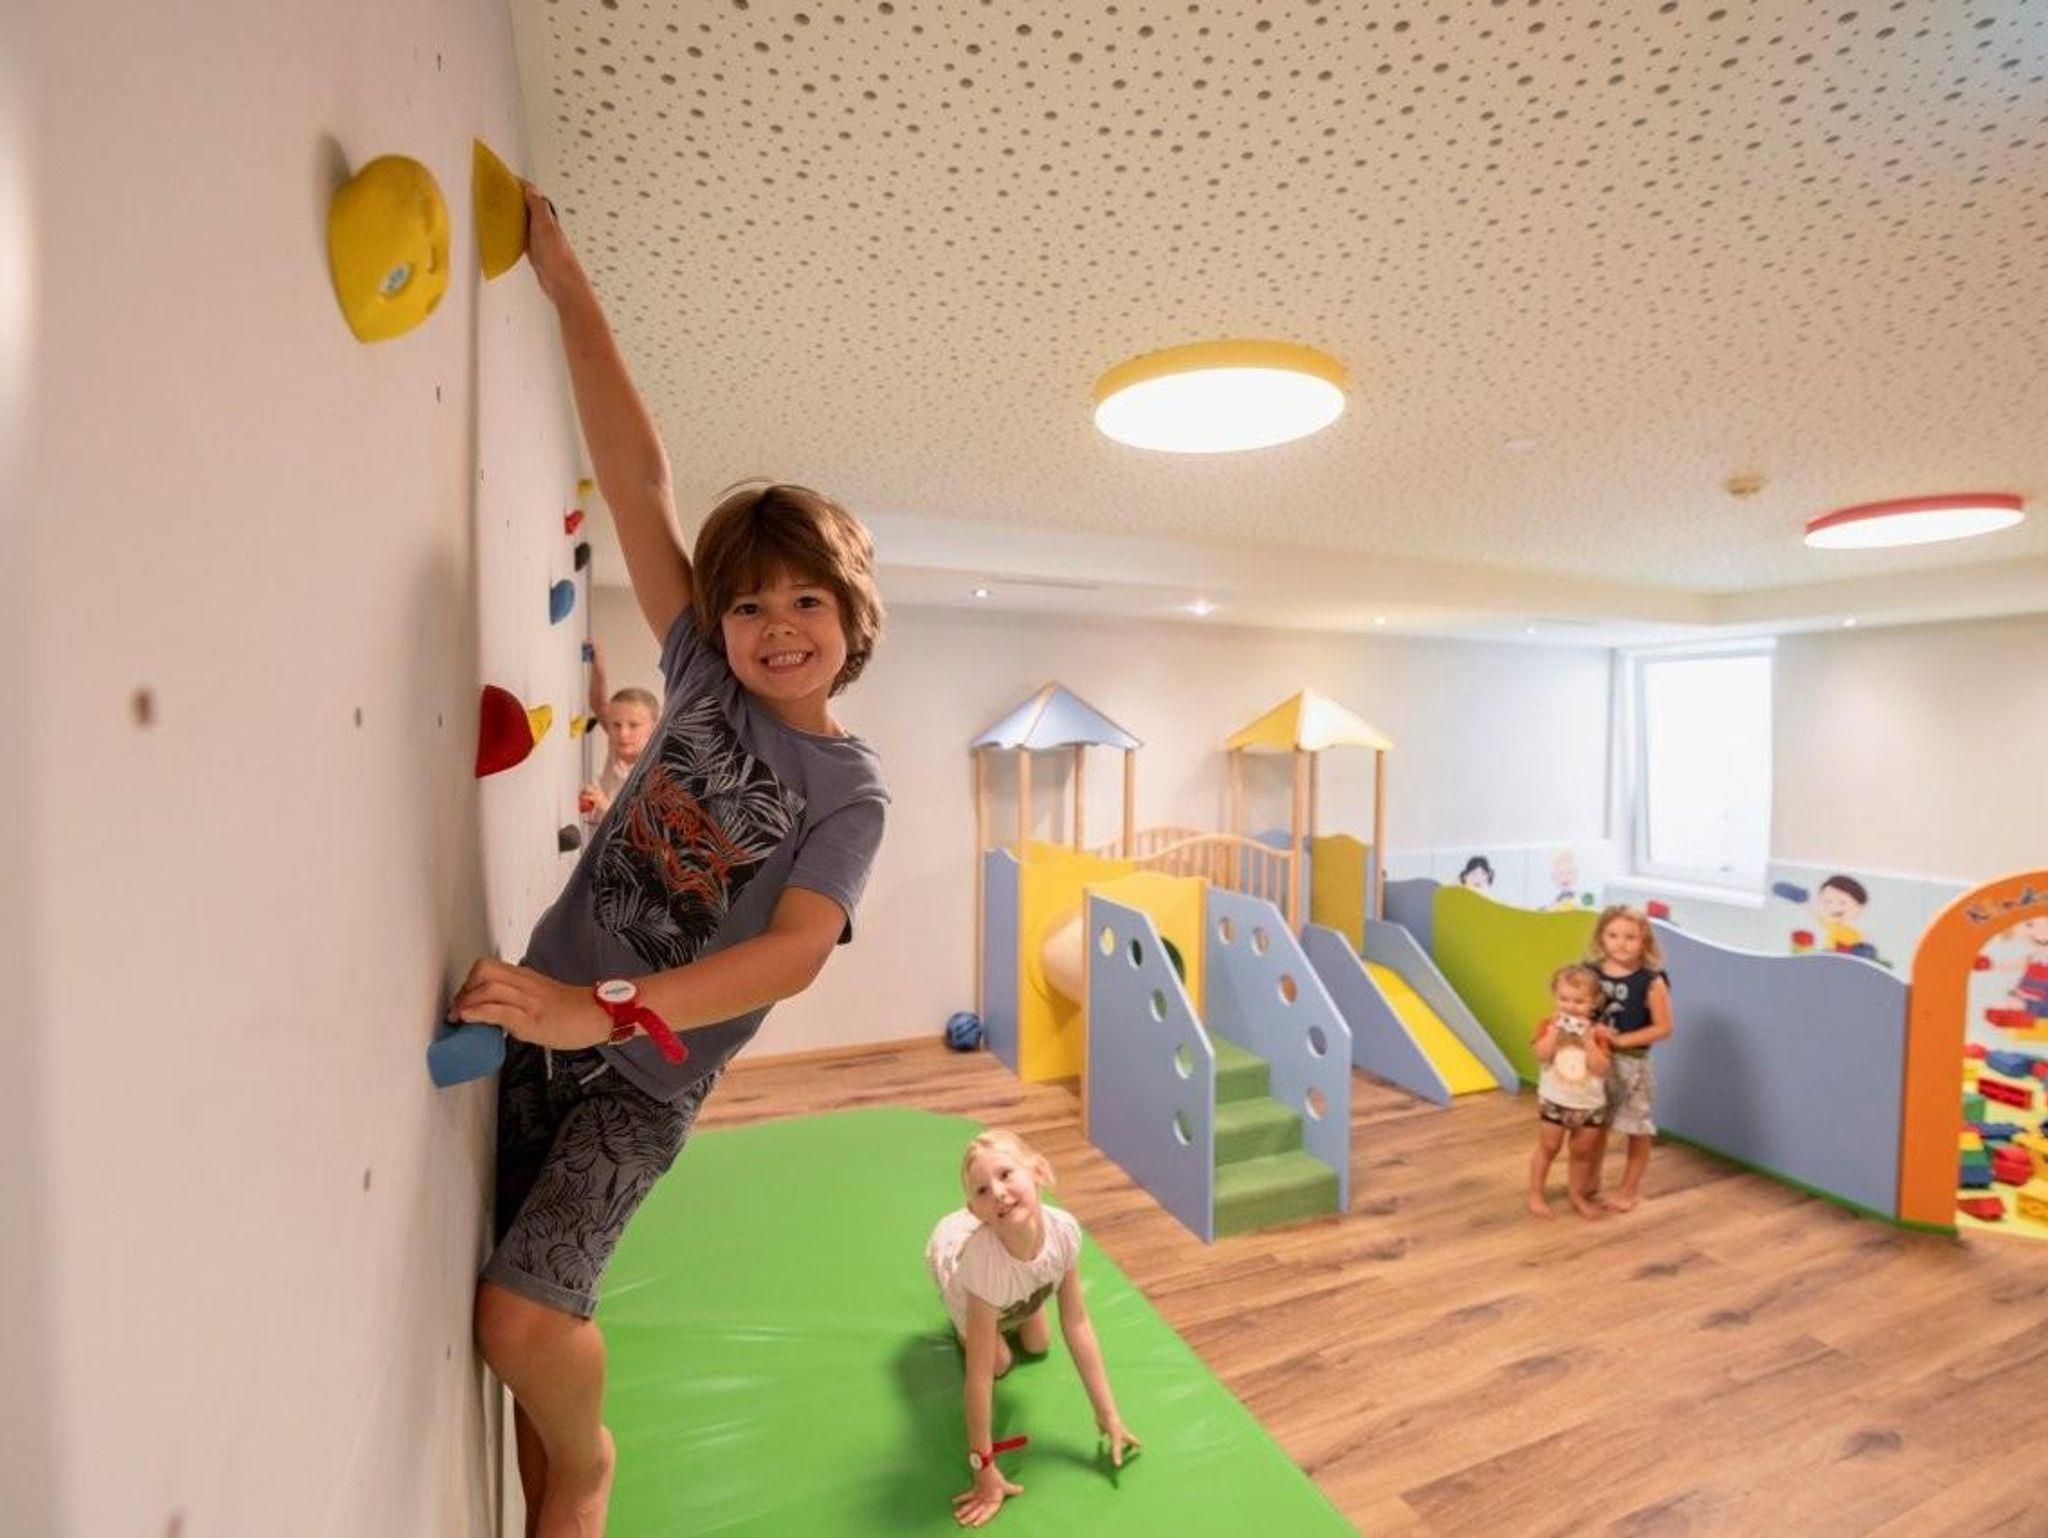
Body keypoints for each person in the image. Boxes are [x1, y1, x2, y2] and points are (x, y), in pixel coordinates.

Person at [453, 184, 888, 1538]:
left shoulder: (849, 791)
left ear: (852, 616)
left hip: (639, 1075)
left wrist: (604, 1009)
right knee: (520, 1320)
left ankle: (589, 1469)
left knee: (521, 1319)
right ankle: (555, 1487)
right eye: (748, 600)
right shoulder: (697, 673)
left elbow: (793, 954)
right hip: (538, 1021)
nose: (774, 623)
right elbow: (639, 482)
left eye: (805, 597)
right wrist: (566, 284)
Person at [926, 1130, 1140, 1529]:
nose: (998, 1192)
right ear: (975, 1211)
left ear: (1039, 1171)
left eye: (1006, 1174)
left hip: (1008, 1288)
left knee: (1040, 1343)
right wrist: (983, 1467)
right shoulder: (982, 1264)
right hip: (962, 1275)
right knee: (998, 1364)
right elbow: (977, 1379)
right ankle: (971, 1328)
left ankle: (1017, 1305)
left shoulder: (1063, 1230)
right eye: (982, 1191)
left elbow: (1076, 1322)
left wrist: (1108, 1414)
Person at [1584, 905, 1673, 1212]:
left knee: (1637, 1128)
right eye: (1613, 935)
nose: (1620, 944)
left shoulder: (1651, 980)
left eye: (1630, 937)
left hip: (1632, 1064)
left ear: (1643, 940)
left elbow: (1663, 1027)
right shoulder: (1590, 973)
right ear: (1601, 937)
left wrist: (1620, 1040)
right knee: (1595, 1126)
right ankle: (1590, 1179)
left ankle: (1629, 1190)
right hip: (1596, 1061)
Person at [1527, 964, 1613, 1219]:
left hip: (1589, 1104)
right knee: (1548, 1146)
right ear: (1555, 997)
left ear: (1593, 1003)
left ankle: (1577, 1194)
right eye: (1564, 999)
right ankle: (1535, 1194)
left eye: (1579, 1001)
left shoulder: (1598, 1033)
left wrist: (1589, 1042)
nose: (1571, 1006)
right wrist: (1553, 1035)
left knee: (1582, 1153)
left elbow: (1601, 1070)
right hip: (1555, 1099)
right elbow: (1541, 1055)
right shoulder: (1548, 1025)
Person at [579, 638, 657, 823]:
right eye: (616, 724)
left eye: (634, 725)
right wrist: (599, 664)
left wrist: (605, 805)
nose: (623, 734)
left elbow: (647, 831)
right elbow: (599, 705)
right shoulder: (621, 742)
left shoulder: (660, 771)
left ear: (655, 728)